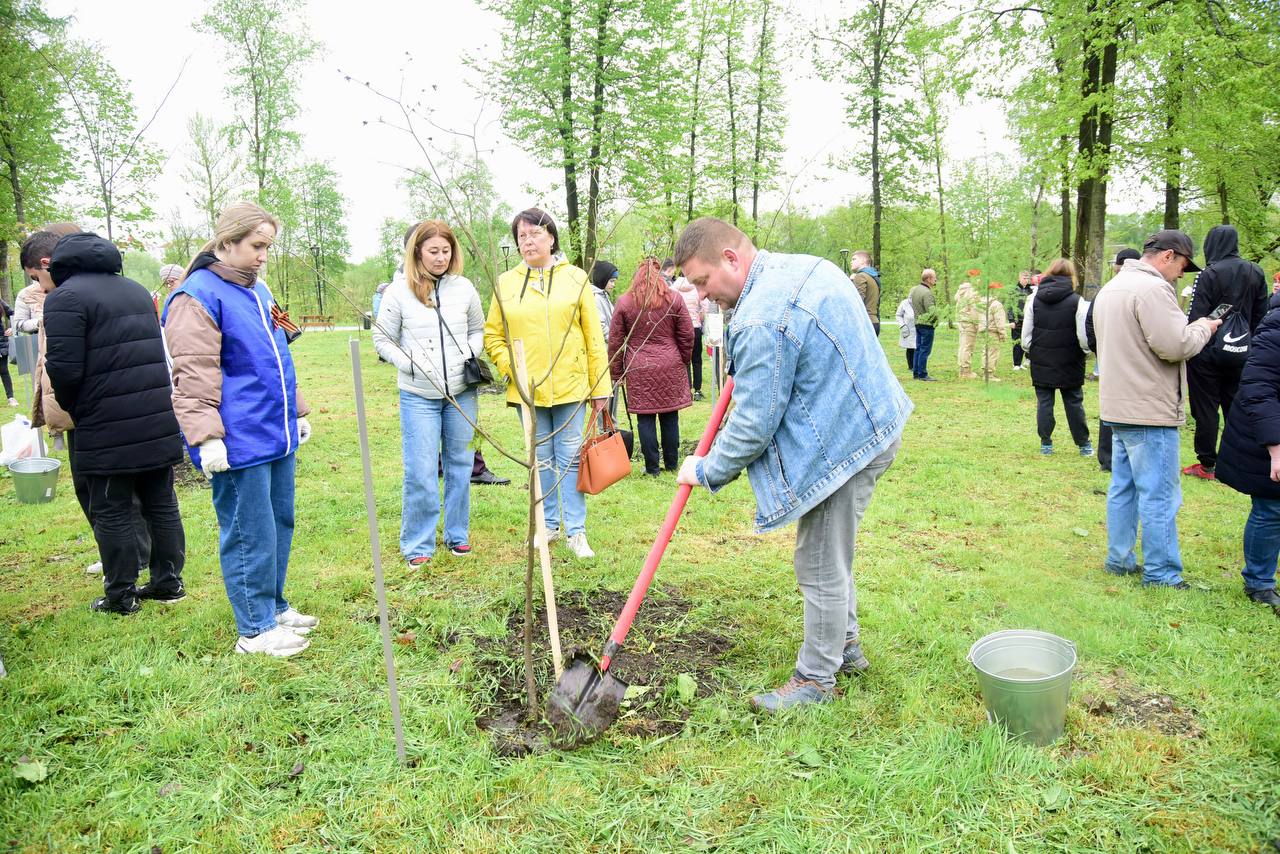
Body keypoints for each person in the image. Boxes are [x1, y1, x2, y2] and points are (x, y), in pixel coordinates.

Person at [673, 217, 912, 711]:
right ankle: (844, 647)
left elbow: (755, 423)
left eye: (702, 282)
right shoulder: (802, 267)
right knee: (832, 549)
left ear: (732, 259)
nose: (700, 296)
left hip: (846, 443)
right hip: (874, 419)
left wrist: (706, 468)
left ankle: (816, 679)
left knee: (820, 560)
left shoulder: (762, 316)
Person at [164, 201, 316, 656]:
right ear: (226, 242)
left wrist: (298, 411)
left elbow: (278, 357)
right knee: (249, 530)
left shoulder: (259, 290)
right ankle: (254, 629)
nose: (263, 255)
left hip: (275, 430)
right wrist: (206, 437)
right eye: (256, 246)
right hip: (237, 438)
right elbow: (192, 373)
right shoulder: (198, 297)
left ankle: (273, 605)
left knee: (277, 522)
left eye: (268, 246)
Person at [42, 232, 186, 616]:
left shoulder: (64, 297)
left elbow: (64, 368)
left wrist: (76, 409)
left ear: (61, 265)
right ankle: (168, 582)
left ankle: (121, 596)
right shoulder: (137, 290)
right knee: (161, 501)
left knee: (112, 508)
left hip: (105, 421)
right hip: (155, 414)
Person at [1093, 229, 1220, 588]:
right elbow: (1176, 345)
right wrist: (1204, 328)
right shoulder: (1152, 289)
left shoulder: (1113, 286)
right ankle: (1162, 573)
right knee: (1159, 495)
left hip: (1118, 406)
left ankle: (1119, 560)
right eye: (1182, 264)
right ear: (1167, 256)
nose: (1182, 273)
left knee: (1124, 488)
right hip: (1149, 408)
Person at [483, 207, 609, 560]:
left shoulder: (576, 279)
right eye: (521, 236)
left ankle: (577, 531)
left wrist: (600, 388)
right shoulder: (506, 283)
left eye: (535, 233)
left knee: (569, 459)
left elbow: (593, 337)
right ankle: (547, 525)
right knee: (541, 459)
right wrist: (513, 368)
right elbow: (493, 336)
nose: (528, 241)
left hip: (571, 386)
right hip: (528, 390)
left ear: (551, 237)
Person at [372, 220, 484, 566]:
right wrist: (407, 363)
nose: (440, 258)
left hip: (461, 393)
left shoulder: (464, 288)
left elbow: (478, 328)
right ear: (417, 252)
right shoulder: (397, 292)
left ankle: (457, 534)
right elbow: (382, 339)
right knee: (420, 469)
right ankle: (418, 544)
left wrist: (469, 352)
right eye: (433, 251)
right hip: (418, 394)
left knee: (461, 463)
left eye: (446, 251)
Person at [1182, 224, 1268, 481]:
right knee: (1236, 406)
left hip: (1207, 354)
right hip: (1243, 353)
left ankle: (1208, 464)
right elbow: (1261, 317)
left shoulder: (1209, 274)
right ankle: (1235, 461)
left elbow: (1196, 317)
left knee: (1206, 408)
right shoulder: (1256, 272)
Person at [1215, 307, 1280, 617]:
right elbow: (1258, 388)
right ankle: (1259, 582)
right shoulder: (1275, 329)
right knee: (1271, 506)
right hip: (1267, 430)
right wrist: (1276, 446)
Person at [609, 258, 693, 476]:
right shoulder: (674, 299)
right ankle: (672, 464)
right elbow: (687, 334)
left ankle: (652, 467)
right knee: (669, 416)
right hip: (669, 363)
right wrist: (682, 359)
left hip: (639, 366)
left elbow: (616, 341)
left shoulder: (625, 302)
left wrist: (616, 372)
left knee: (644, 418)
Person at [1022, 258, 1092, 455]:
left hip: (1041, 358)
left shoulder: (1033, 299)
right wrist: (1085, 352)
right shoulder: (1077, 301)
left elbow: (1026, 334)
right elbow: (1082, 335)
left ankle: (1046, 443)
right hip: (1070, 359)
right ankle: (1084, 444)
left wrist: (1031, 350)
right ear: (1072, 277)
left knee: (1044, 402)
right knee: (1073, 402)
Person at [671, 266, 705, 400]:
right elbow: (704, 308)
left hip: (679, 329)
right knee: (697, 359)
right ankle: (698, 389)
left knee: (684, 360)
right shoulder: (696, 289)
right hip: (695, 327)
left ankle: (686, 389)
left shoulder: (672, 289)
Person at [909, 269, 938, 381]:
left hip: (918, 322)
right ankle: (922, 374)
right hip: (926, 324)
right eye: (934, 277)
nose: (935, 279)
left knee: (918, 348)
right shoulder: (927, 293)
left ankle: (916, 372)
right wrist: (936, 320)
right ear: (929, 279)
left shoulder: (916, 290)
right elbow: (931, 311)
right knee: (925, 350)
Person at [955, 274, 982, 379]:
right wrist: (977, 324)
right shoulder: (973, 293)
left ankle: (962, 369)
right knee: (968, 347)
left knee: (962, 346)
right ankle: (966, 372)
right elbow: (975, 310)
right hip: (969, 322)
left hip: (962, 321)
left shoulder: (962, 291)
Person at [850, 250, 881, 336]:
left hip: (865, 323)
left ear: (863, 261)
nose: (851, 262)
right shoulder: (873, 276)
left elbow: (857, 301)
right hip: (874, 321)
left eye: (854, 259)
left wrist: (851, 282)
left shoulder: (861, 276)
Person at [1009, 272, 1032, 371]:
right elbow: (1010, 306)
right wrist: (1011, 320)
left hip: (1027, 320)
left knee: (1024, 341)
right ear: (1019, 278)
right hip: (1017, 319)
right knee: (1016, 341)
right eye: (1024, 278)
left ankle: (1021, 362)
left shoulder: (1030, 291)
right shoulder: (1014, 290)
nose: (1026, 280)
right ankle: (1016, 364)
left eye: (1027, 278)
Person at [895, 295, 916, 372]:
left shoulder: (920, 301)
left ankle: (918, 365)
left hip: (918, 327)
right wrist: (902, 325)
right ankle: (911, 366)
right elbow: (898, 315)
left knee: (918, 347)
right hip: (908, 328)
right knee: (910, 347)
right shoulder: (904, 303)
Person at [0, 296, 14, 406]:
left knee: (4, 370)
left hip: (1, 342)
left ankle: (11, 398)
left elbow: (13, 314)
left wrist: (12, 327)